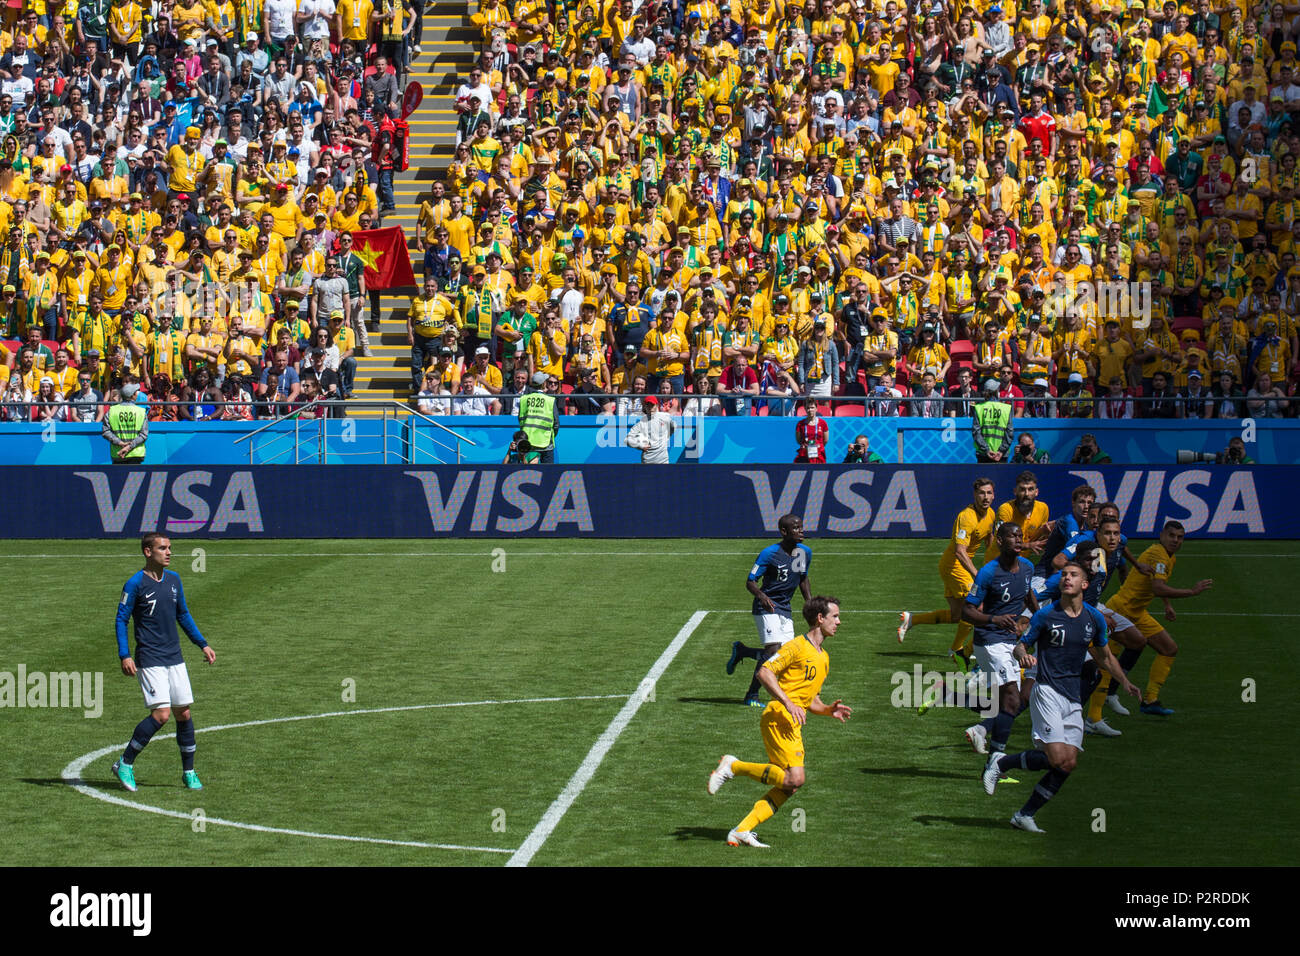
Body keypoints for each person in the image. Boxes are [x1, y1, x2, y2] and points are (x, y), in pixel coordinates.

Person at [979, 561, 1139, 832]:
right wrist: (1024, 656)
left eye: (1074, 575)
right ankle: (999, 763)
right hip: (1047, 692)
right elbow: (1021, 645)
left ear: (1084, 585)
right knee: (1056, 759)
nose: (1067, 578)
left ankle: (1024, 815)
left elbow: (1103, 655)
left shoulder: (1093, 618)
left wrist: (1125, 681)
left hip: (1072, 698)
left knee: (1068, 763)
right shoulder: (1046, 616)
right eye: (1064, 574)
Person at [706, 595, 852, 849]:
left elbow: (810, 700)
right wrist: (788, 703)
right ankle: (734, 766)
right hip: (778, 717)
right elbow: (764, 672)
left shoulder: (824, 658)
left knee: (789, 786)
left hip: (792, 724)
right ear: (820, 618)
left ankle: (742, 830)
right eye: (835, 616)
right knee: (795, 779)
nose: (839, 622)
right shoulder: (796, 646)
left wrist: (828, 710)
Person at [111, 534, 217, 793]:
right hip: (150, 658)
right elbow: (121, 619)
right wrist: (125, 655)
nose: (168, 552)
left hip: (175, 657)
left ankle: (189, 772)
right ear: (148, 552)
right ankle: (124, 763)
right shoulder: (135, 584)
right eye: (162, 548)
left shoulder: (174, 580)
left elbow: (183, 614)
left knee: (184, 713)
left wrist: (201, 643)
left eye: (170, 548)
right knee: (162, 715)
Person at [1101, 520, 1213, 716]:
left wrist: (1167, 605)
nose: (1175, 540)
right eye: (1171, 536)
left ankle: (1150, 700)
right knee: (1103, 662)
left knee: (1169, 649)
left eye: (1180, 538)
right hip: (1120, 610)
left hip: (1137, 612)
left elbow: (1158, 584)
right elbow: (1158, 587)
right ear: (1161, 535)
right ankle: (1098, 704)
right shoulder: (1158, 554)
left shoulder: (1169, 557)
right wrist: (1192, 592)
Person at [897, 478, 997, 669]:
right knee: (975, 608)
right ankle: (957, 650)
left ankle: (912, 620)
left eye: (989, 493)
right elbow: (960, 551)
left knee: (957, 615)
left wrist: (991, 566)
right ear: (975, 495)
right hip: (954, 566)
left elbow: (989, 539)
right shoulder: (967, 517)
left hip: (956, 566)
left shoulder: (991, 514)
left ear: (994, 495)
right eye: (982, 493)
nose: (986, 497)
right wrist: (979, 575)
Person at [961, 522, 1038, 758]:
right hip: (989, 642)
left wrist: (1041, 619)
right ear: (1000, 541)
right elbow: (967, 611)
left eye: (1020, 536)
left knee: (1016, 700)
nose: (1017, 539)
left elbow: (1028, 595)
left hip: (1011, 642)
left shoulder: (1027, 567)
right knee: (1013, 700)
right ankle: (996, 764)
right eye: (1012, 536)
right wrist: (994, 619)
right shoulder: (989, 572)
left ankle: (980, 729)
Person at [727, 514, 813, 707]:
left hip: (784, 607)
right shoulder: (769, 553)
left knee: (784, 655)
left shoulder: (804, 552)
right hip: (766, 606)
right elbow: (750, 581)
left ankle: (743, 651)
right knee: (773, 649)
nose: (801, 531)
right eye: (796, 528)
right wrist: (762, 596)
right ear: (784, 532)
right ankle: (751, 695)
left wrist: (809, 603)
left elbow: (802, 578)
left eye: (801, 527)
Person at [517, 370, 559, 463]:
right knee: (548, 473)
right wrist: (552, 435)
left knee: (528, 474)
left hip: (527, 441)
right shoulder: (550, 400)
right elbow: (556, 423)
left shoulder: (523, 399)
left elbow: (520, 419)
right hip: (545, 441)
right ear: (544, 384)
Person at [102, 382, 149, 464]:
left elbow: (106, 432)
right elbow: (144, 435)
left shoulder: (111, 411)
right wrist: (129, 447)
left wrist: (120, 443)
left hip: (118, 453)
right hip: (136, 453)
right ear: (133, 395)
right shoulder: (141, 412)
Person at [625, 394, 674, 463]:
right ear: (645, 407)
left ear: (656, 405)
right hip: (648, 461)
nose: (650, 408)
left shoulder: (665, 417)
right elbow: (627, 440)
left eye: (652, 405)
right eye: (648, 405)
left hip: (663, 461)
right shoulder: (641, 423)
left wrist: (666, 437)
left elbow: (673, 426)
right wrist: (640, 445)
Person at [973, 379, 1013, 462]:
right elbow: (1009, 432)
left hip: (983, 453)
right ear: (997, 391)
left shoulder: (979, 408)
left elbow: (976, 432)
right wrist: (1001, 451)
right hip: (1001, 455)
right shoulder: (1006, 408)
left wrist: (986, 450)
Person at [793, 397, 827, 463]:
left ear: (816, 409)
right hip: (804, 454)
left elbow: (825, 440)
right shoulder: (800, 424)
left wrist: (817, 446)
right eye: (808, 408)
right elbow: (798, 440)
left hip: (819, 454)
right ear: (805, 409)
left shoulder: (823, 423)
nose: (810, 410)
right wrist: (806, 446)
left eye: (812, 407)